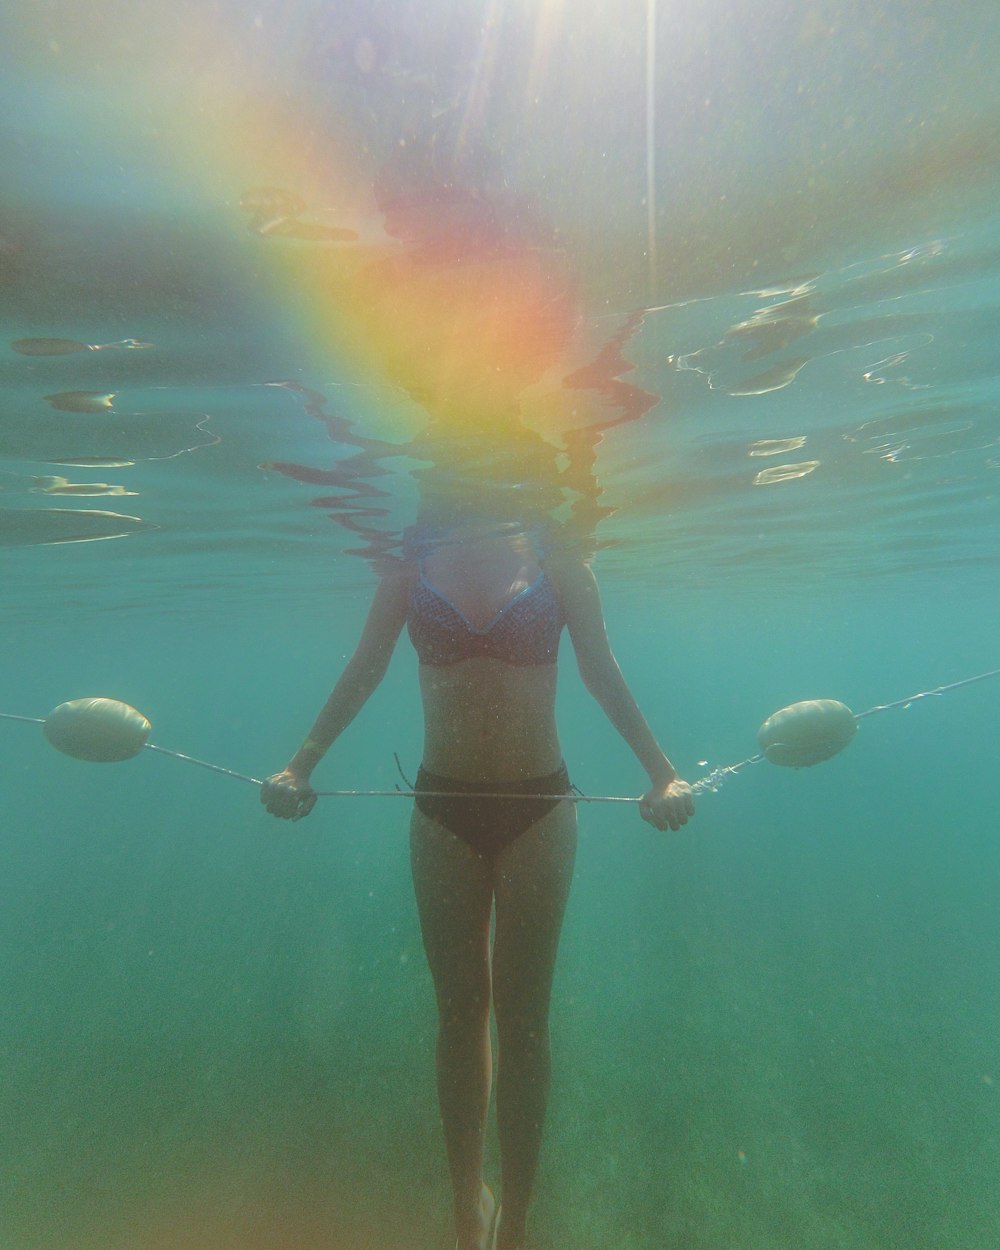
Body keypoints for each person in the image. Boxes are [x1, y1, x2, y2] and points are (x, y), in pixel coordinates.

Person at [261, 487, 695, 1250]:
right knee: (459, 1020)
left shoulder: (559, 553)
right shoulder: (410, 560)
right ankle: (468, 1209)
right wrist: (299, 766)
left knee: (524, 1025)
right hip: (440, 810)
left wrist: (663, 773)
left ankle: (517, 1223)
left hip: (539, 807)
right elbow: (364, 667)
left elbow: (601, 671)